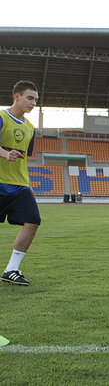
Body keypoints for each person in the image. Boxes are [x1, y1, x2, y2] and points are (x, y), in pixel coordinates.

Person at [0, 80, 40, 286]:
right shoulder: (1, 117)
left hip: (20, 185)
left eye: (35, 100)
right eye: (29, 98)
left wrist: (28, 185)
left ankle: (11, 269)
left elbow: (24, 158)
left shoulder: (30, 128)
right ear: (16, 96)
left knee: (33, 220)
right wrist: (5, 154)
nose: (33, 103)